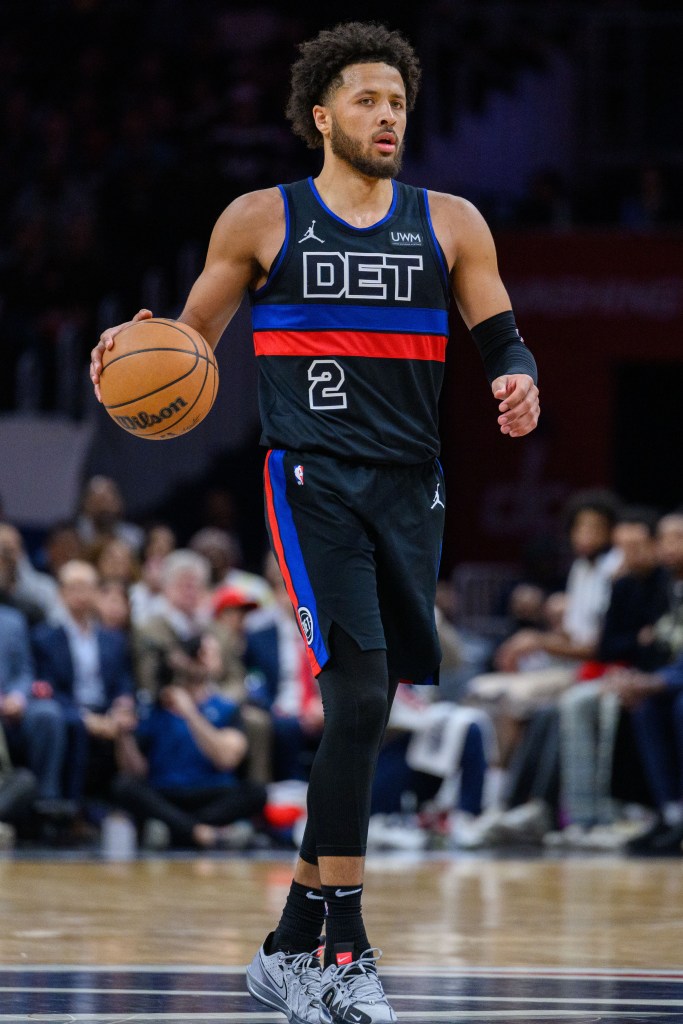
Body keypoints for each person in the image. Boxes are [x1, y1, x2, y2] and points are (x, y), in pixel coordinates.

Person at [89, 20, 539, 1024]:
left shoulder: (452, 220)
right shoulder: (260, 218)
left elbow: (503, 337)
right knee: (359, 692)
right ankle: (340, 951)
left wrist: (517, 380)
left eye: (399, 104)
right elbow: (189, 341)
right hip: (311, 478)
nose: (388, 116)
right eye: (370, 100)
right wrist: (137, 344)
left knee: (370, 707)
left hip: (407, 483)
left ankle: (289, 945)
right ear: (322, 114)